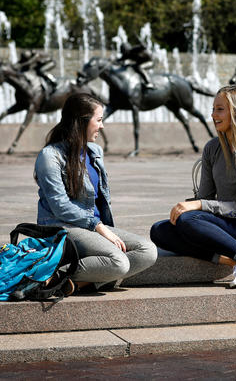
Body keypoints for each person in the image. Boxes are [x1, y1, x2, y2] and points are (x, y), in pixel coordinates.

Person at [150, 85, 236, 290]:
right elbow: (206, 197)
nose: (213, 115)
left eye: (220, 109)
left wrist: (198, 206)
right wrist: (188, 205)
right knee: (159, 230)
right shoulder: (212, 148)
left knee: (189, 218)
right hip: (226, 223)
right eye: (213, 109)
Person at [34, 93, 157, 294]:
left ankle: (81, 283)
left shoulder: (94, 151)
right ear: (81, 122)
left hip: (94, 227)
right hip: (61, 227)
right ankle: (54, 276)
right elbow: (59, 205)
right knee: (119, 263)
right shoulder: (50, 156)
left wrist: (101, 227)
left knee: (148, 251)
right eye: (98, 120)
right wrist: (98, 226)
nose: (102, 126)